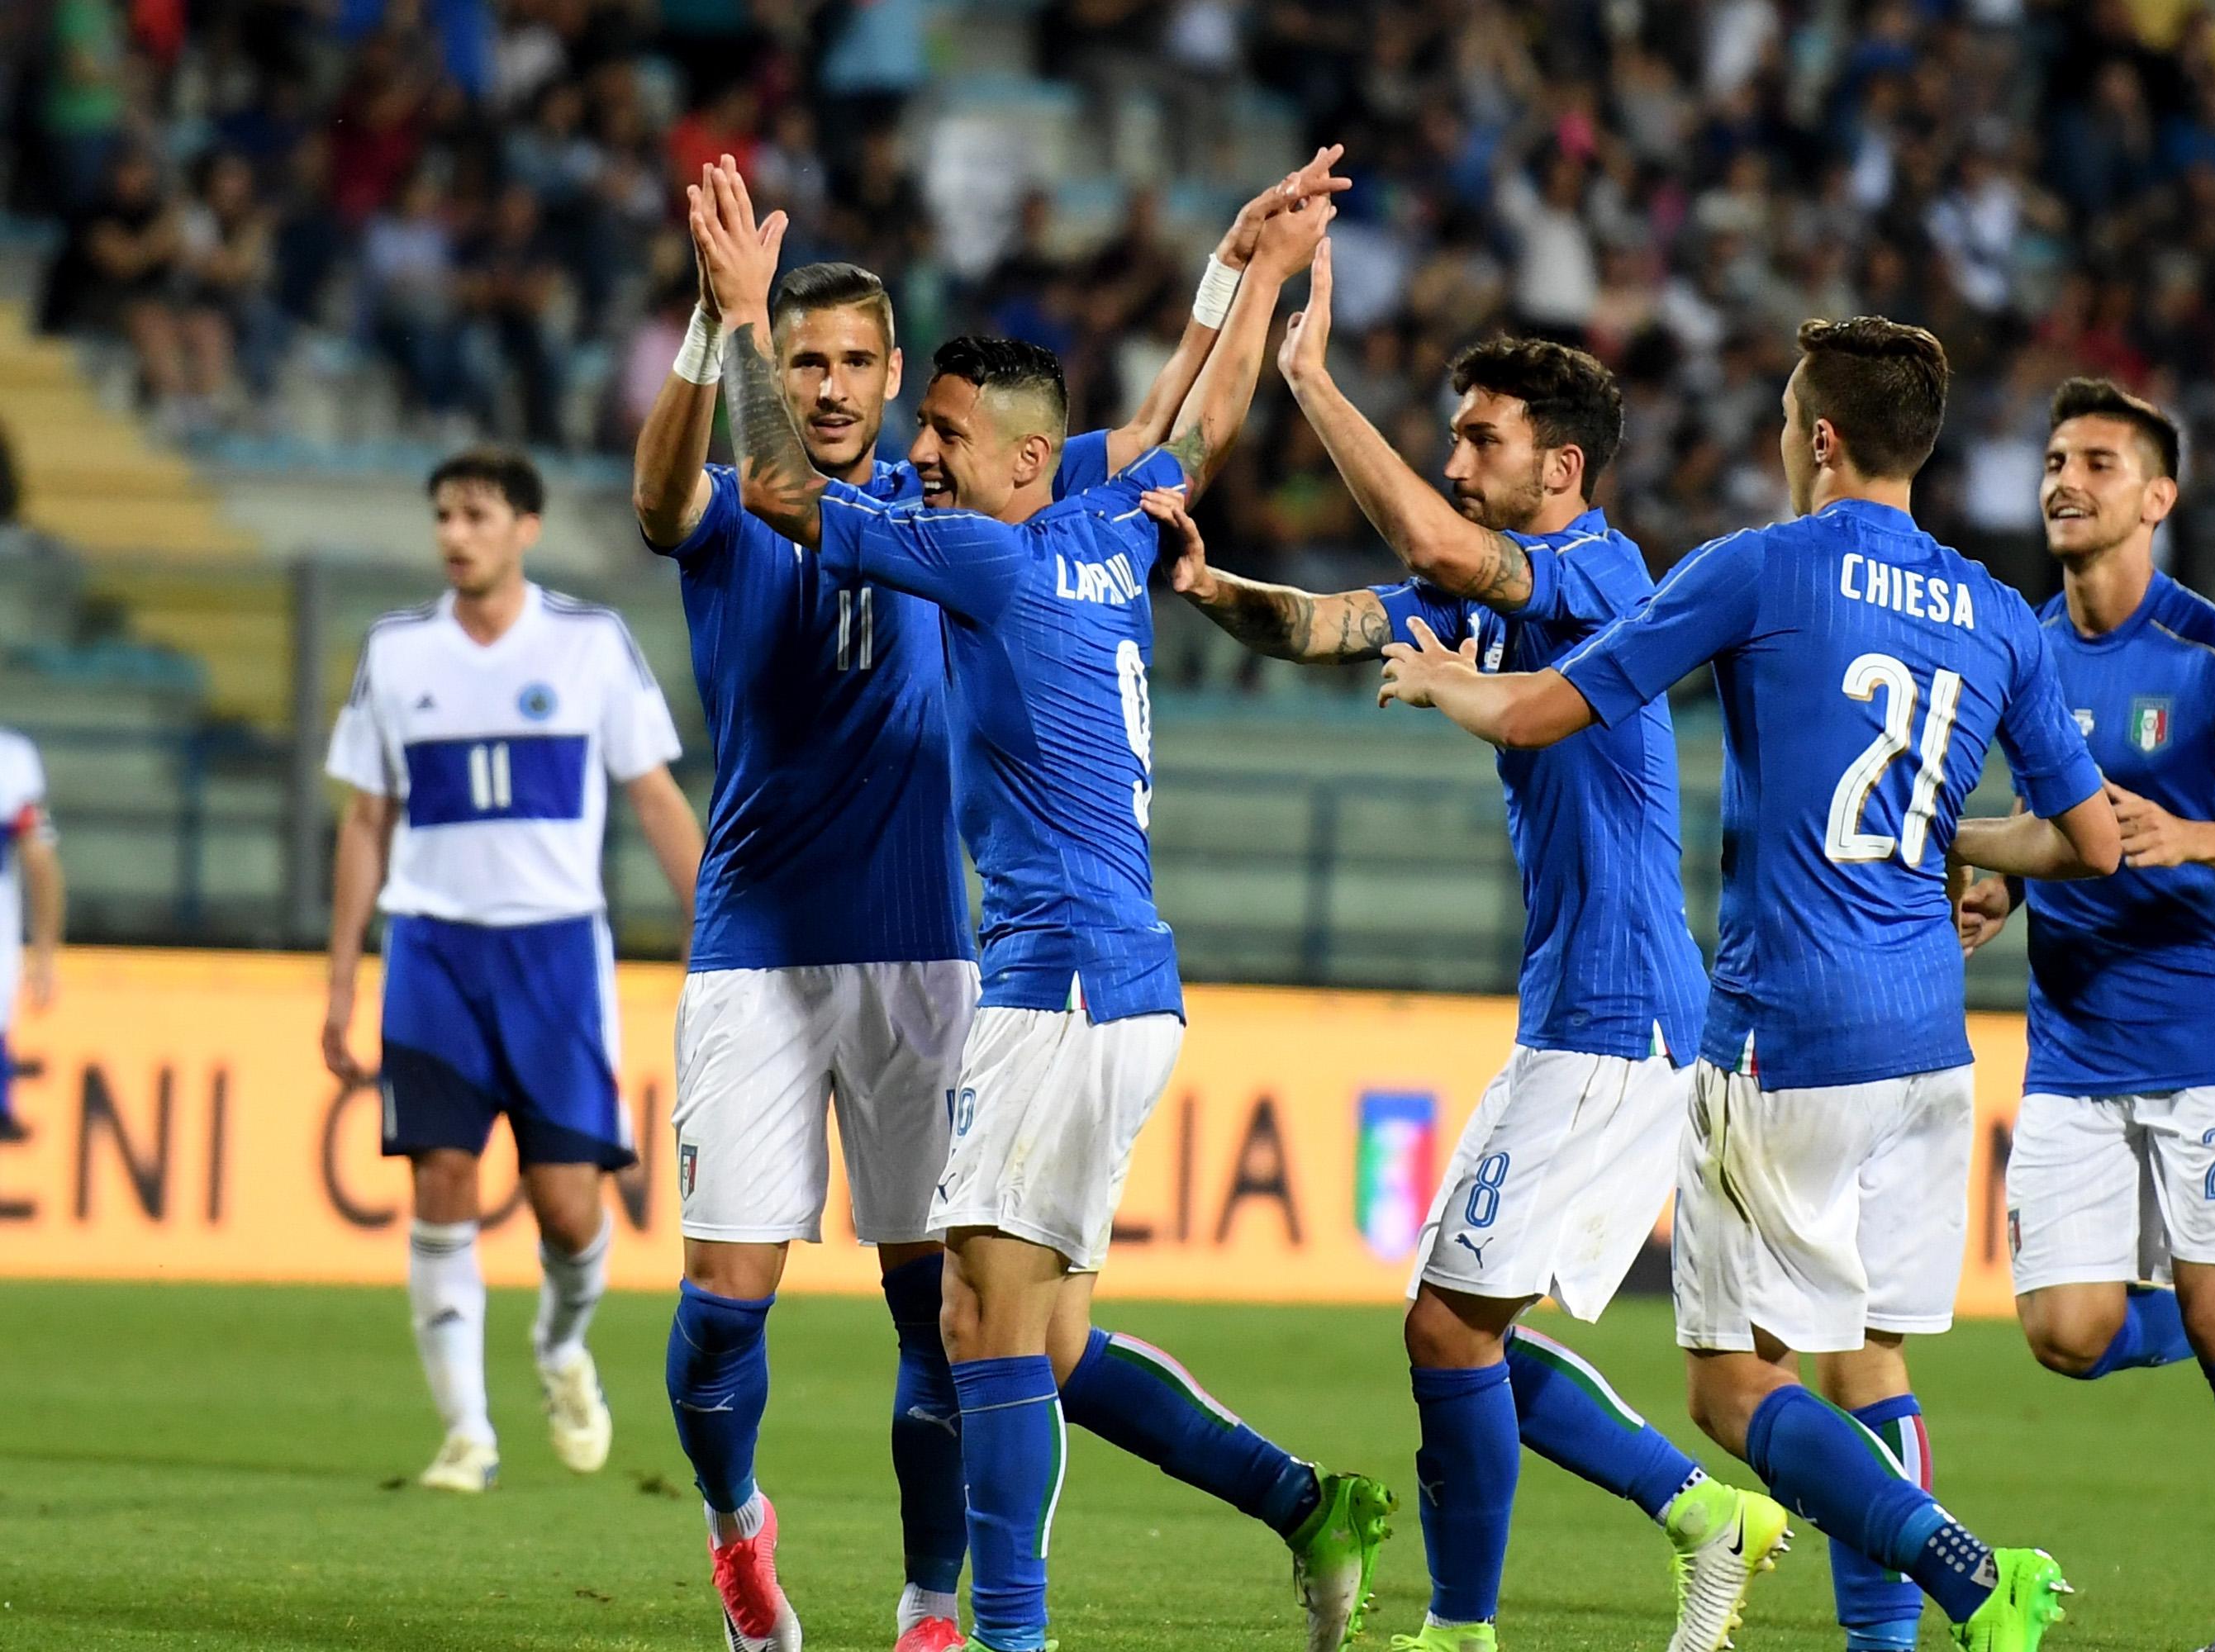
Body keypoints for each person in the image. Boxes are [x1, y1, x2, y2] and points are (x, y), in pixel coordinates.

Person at [646, 154, 1385, 1652]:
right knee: (1010, 1339)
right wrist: (1236, 271)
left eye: (888, 385)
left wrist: (733, 318)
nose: (885, 423)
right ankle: (1293, 1502)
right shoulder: (1089, 522)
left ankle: (971, 1624)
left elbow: (818, 483)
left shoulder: (972, 549)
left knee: (975, 1331)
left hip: (999, 972)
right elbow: (1200, 420)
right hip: (860, 958)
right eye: (807, 361)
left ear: (914, 381)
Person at [1374, 316, 2122, 1652]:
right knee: (1870, 1356)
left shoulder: (1761, 570)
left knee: (1732, 1392)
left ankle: (1965, 1574)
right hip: (1930, 1047)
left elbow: (1552, 708)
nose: (1780, 439)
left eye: (1787, 418)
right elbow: (2092, 840)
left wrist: (1442, 684)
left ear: (1821, 439)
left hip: (1784, 1026)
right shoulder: (2000, 612)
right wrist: (1954, 844)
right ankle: (1884, 1643)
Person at [1157, 239, 1788, 1652]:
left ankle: (1464, 1627)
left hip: (1617, 1010)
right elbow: (1329, 626)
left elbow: (1439, 552)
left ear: (1560, 466)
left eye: (1480, 438)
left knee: (1446, 1332)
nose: (1456, 458)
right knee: (1468, 1333)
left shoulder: (1594, 569)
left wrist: (1310, 378)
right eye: (1452, 433)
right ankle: (1702, 1514)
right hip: (1589, 1004)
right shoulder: (1510, 590)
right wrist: (1213, 593)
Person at [1954, 379, 2215, 1652]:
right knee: (2064, 1335)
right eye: (2056, 460)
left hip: (2209, 1030)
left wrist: (2195, 833)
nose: (2065, 481)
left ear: (2158, 499)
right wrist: (1998, 877)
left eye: (2098, 463)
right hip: (2074, 1035)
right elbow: (2048, 818)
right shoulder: (2023, 644)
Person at [321, 446, 705, 1494]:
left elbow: (657, 795)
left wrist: (710, 919)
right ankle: (466, 1432)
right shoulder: (397, 653)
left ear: (524, 528)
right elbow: (365, 818)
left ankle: (560, 1348)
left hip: (555, 955)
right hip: (434, 950)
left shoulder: (588, 643)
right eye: (445, 514)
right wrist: (344, 973)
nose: (457, 533)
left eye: (478, 514)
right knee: (441, 1185)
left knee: (571, 1208)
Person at [0, 729, 64, 1145]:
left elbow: (40, 866)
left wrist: (43, 957)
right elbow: (41, 865)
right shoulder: (10, 759)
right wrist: (44, 957)